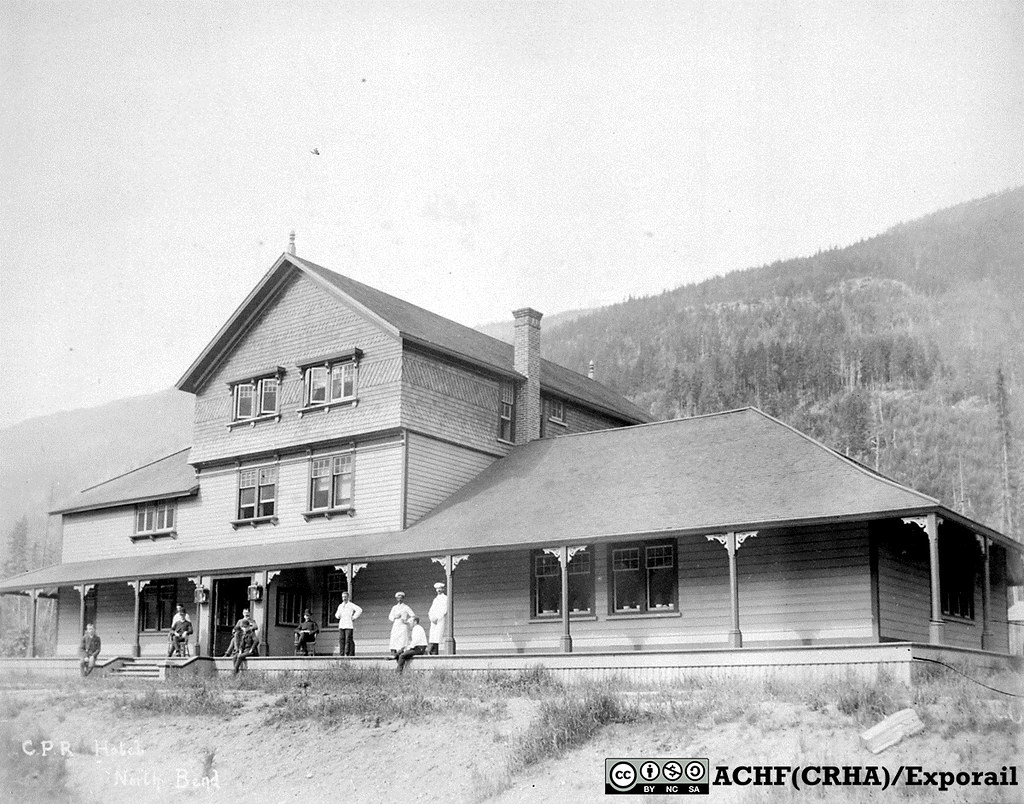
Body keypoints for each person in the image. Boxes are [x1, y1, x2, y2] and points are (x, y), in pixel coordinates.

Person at [334, 591, 362, 656]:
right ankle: (341, 654)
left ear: (348, 597)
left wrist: (354, 617)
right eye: (343, 597)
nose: (344, 598)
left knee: (348, 640)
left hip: (348, 625)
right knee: (341, 639)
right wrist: (338, 616)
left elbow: (359, 610)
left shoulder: (351, 605)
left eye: (345, 597)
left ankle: (347, 653)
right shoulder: (340, 606)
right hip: (342, 625)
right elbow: (337, 614)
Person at [231, 608, 259, 674]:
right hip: (244, 650)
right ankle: (236, 670)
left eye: (245, 627)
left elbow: (256, 641)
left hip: (250, 651)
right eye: (243, 627)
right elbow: (242, 644)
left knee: (240, 656)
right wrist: (240, 650)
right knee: (235, 656)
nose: (244, 629)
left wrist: (251, 649)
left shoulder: (251, 632)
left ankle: (235, 672)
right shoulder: (243, 634)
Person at [388, 592, 414, 658]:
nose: (399, 599)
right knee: (394, 637)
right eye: (398, 598)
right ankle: (394, 652)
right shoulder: (394, 607)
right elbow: (390, 616)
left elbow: (413, 616)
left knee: (402, 638)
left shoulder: (406, 607)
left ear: (403, 598)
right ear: (396, 599)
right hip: (396, 624)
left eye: (401, 598)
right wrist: (395, 617)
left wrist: (407, 621)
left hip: (402, 625)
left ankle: (401, 652)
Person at [427, 582, 448, 655]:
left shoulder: (445, 598)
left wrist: (437, 618)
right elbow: (431, 610)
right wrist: (431, 618)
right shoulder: (435, 599)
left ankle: (434, 652)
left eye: (440, 588)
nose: (438, 590)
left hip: (439, 619)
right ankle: (432, 652)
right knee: (432, 636)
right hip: (433, 620)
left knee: (437, 637)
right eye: (437, 589)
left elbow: (444, 610)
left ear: (443, 589)